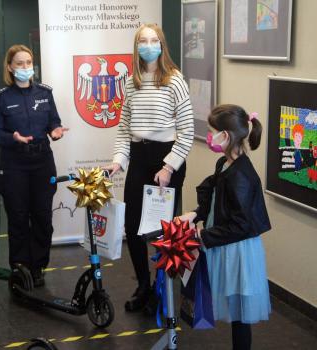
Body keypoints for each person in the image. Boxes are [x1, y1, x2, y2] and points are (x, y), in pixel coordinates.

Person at [105, 23, 195, 312]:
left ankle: (161, 286)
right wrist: (118, 160)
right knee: (132, 227)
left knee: (161, 231)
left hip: (167, 159)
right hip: (139, 157)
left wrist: (169, 167)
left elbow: (187, 131)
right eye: (143, 40)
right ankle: (143, 285)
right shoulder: (132, 82)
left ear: (162, 44)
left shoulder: (175, 79)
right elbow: (123, 129)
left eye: (153, 40)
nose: (148, 45)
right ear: (137, 46)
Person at [176, 104, 271, 350]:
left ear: (225, 136)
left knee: (239, 314)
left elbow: (240, 224)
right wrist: (195, 214)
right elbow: (218, 201)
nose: (209, 136)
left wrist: (204, 235)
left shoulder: (241, 176)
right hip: (224, 244)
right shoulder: (224, 164)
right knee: (234, 308)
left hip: (237, 251)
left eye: (211, 131)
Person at [0, 44, 68, 287]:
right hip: (15, 164)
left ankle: (38, 267)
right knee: (19, 217)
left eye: (28, 63)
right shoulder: (1, 98)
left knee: (43, 216)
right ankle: (20, 267)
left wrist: (55, 131)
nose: (25, 67)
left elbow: (53, 121)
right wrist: (12, 138)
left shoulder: (44, 93)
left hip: (42, 162)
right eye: (20, 63)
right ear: (10, 67)